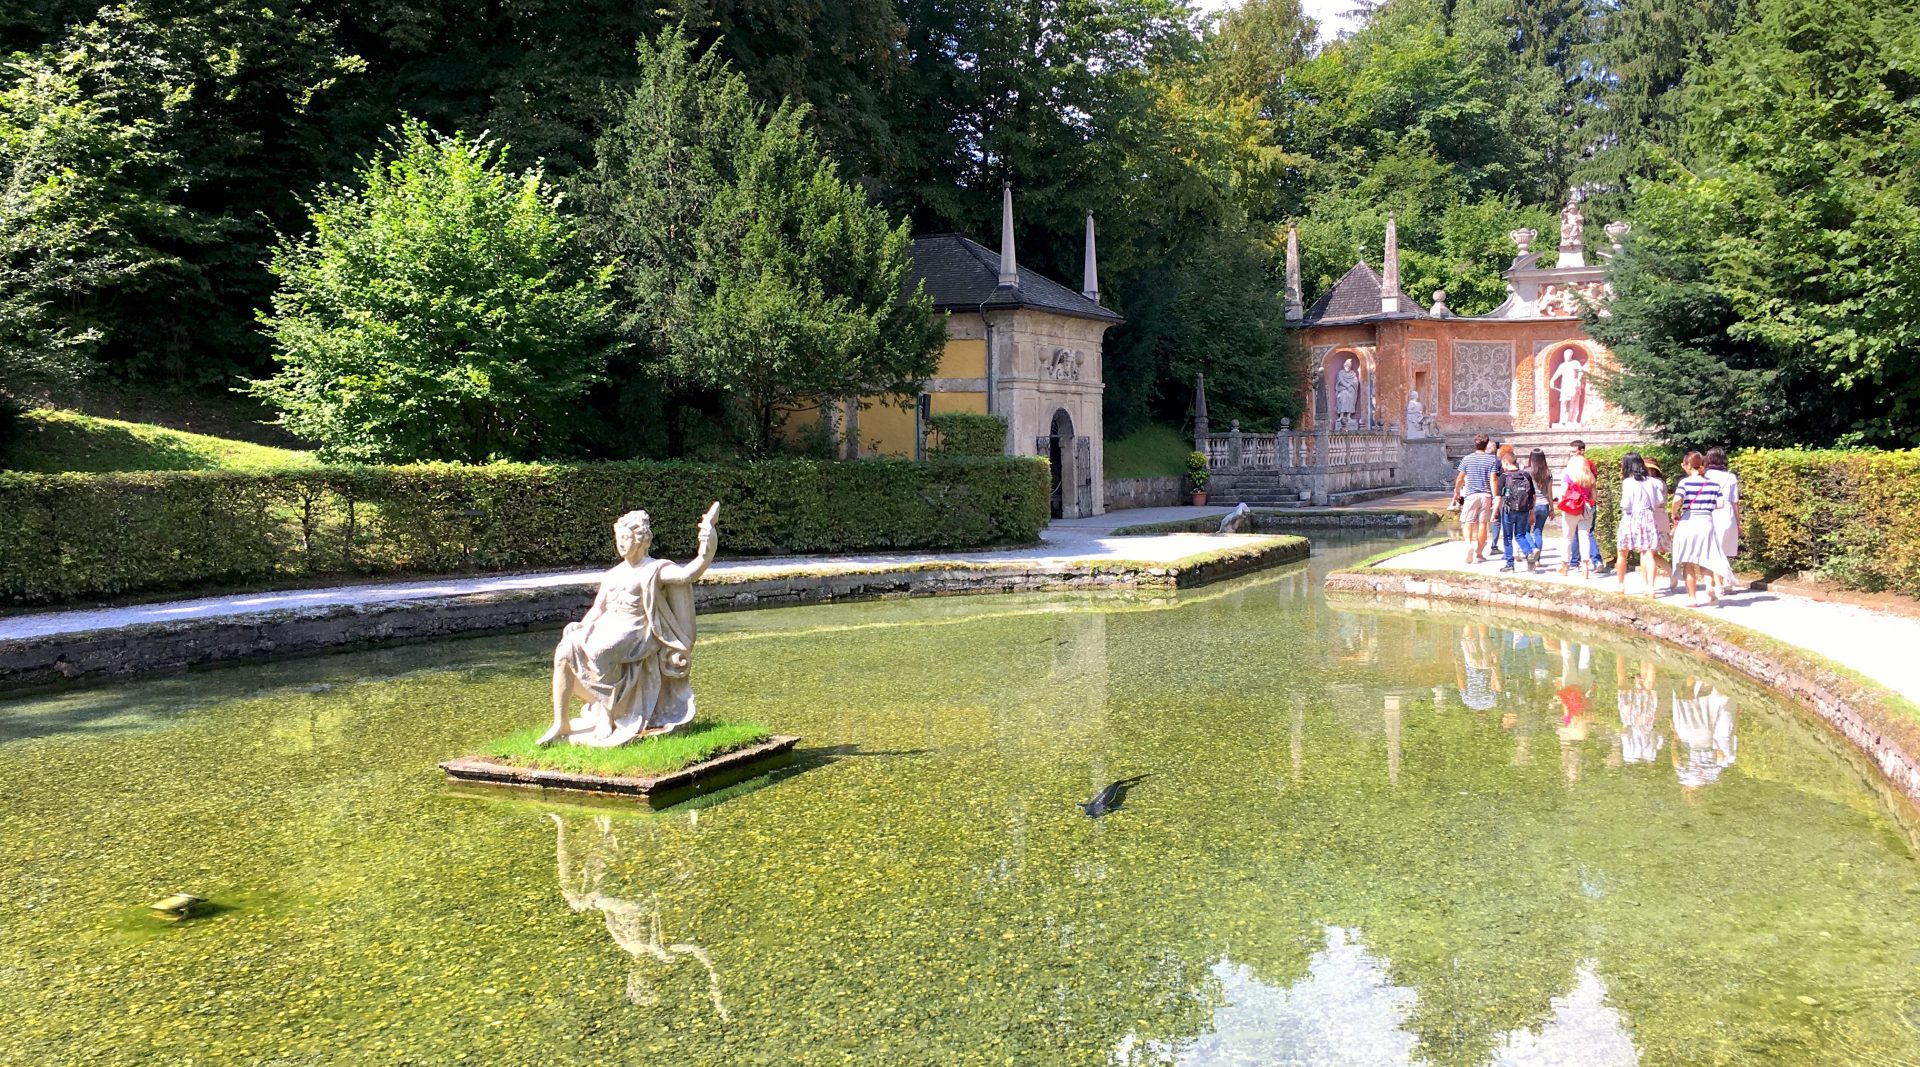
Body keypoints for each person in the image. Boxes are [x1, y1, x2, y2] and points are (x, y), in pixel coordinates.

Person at [541, 503, 722, 747]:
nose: (621, 543)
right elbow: (598, 609)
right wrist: (581, 625)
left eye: (626, 538)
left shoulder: (655, 569)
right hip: (609, 625)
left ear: (640, 540)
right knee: (564, 649)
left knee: (599, 650)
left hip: (639, 631)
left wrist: (707, 547)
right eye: (619, 538)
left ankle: (607, 714)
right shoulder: (614, 574)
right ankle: (560, 722)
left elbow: (687, 575)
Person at [1670, 451, 1733, 606]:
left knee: (1688, 562)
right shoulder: (1713, 484)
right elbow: (1720, 504)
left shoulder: (1685, 482)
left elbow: (1677, 500)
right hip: (1707, 522)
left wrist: (1674, 512)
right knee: (1705, 559)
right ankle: (1709, 587)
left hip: (1689, 521)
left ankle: (1692, 598)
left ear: (1688, 465)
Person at [1614, 452, 1666, 596]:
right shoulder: (1654, 482)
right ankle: (1650, 587)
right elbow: (1659, 500)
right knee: (1648, 553)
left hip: (1631, 517)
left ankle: (1621, 584)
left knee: (1622, 551)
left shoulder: (1628, 482)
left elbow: (1625, 503)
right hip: (1648, 517)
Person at [1453, 435, 1500, 563]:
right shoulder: (1491, 460)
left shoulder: (1467, 459)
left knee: (1467, 522)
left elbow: (1460, 478)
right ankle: (1479, 553)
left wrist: (1457, 491)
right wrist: (1495, 497)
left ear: (1475, 444)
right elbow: (1493, 479)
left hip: (1471, 495)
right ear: (1486, 445)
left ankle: (1469, 545)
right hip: (1486, 495)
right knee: (1482, 524)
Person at [1556, 450, 1600, 578]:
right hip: (1586, 507)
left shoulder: (1569, 476)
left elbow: (1563, 492)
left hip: (1572, 507)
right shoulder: (1589, 477)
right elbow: (1593, 495)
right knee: (1584, 536)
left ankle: (1565, 566)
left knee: (1568, 537)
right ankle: (1585, 565)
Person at [1496, 447, 1540, 572]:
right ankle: (1528, 553)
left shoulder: (1504, 476)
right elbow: (1533, 495)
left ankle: (1510, 564)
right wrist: (1532, 511)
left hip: (1509, 511)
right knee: (1520, 535)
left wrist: (1494, 513)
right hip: (1524, 510)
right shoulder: (1525, 474)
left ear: (1505, 462)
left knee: (1508, 537)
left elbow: (1499, 497)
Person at [1704, 447, 1741, 595]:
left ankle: (1719, 584)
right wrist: (1738, 522)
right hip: (1728, 513)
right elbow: (1735, 501)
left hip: (1712, 511)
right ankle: (1726, 580)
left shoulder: (1705, 476)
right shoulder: (1731, 477)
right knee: (1724, 549)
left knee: (1714, 549)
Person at [1526, 448, 1553, 569]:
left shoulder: (1527, 472)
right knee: (1538, 531)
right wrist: (1552, 508)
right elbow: (1550, 492)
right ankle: (1538, 560)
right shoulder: (1548, 472)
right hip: (1544, 504)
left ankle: (1533, 548)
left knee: (1525, 531)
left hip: (1532, 505)